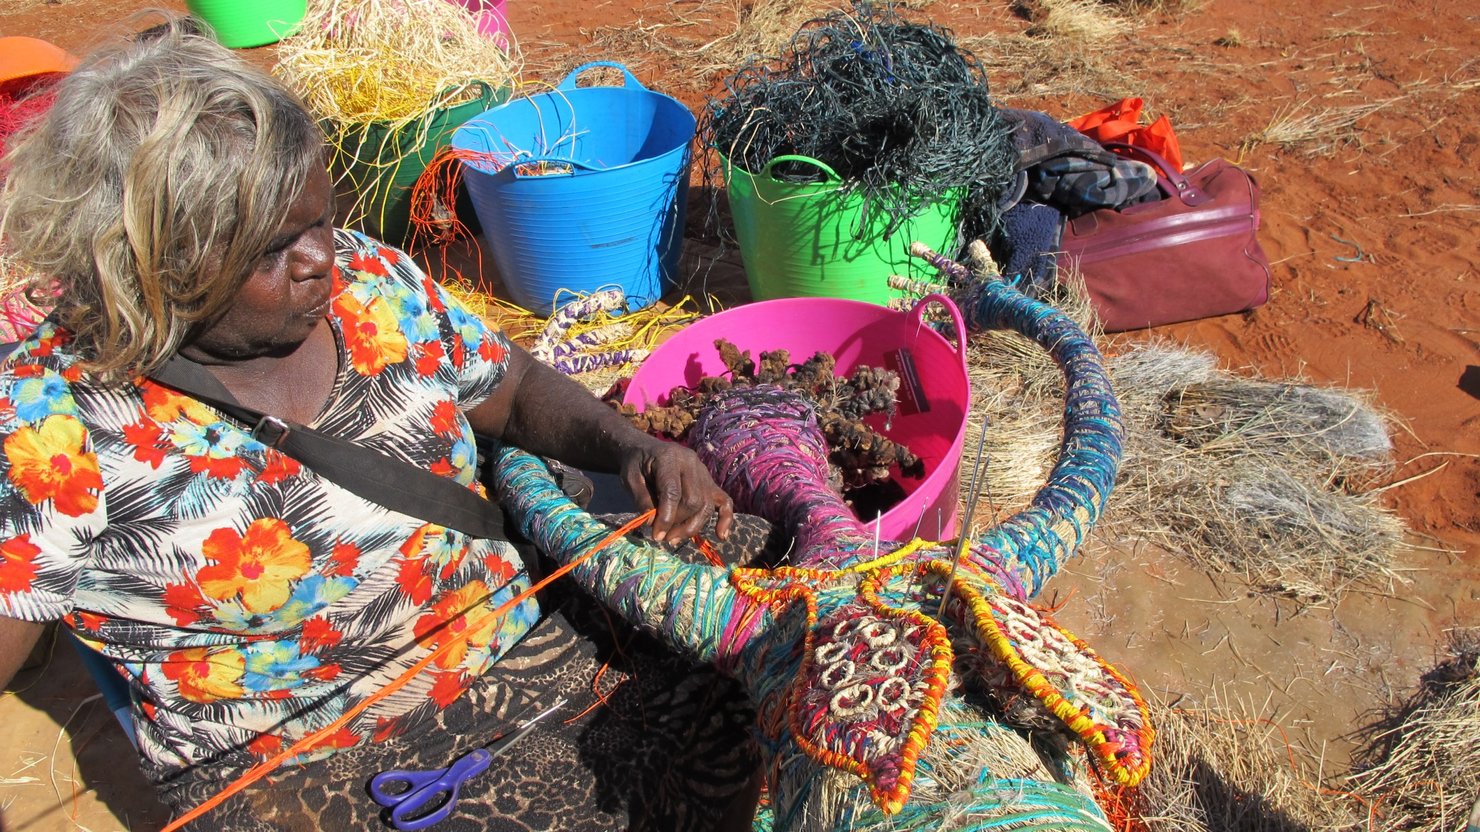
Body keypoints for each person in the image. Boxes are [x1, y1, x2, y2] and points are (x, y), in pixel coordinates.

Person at [0, 18, 761, 832]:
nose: (320, 258)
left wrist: (634, 446)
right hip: (328, 765)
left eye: (318, 220)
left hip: (526, 636)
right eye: (272, 249)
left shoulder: (367, 279)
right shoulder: (51, 420)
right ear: (155, 266)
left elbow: (505, 383)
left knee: (789, 646)